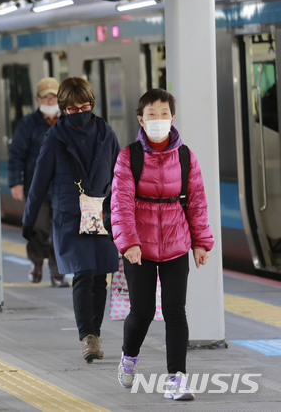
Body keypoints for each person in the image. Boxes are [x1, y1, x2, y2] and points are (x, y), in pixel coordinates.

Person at [111, 89, 213, 401]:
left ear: (172, 117)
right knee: (141, 312)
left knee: (175, 310)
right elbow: (121, 202)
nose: (159, 119)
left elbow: (196, 202)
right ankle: (129, 358)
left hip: (176, 243)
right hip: (138, 246)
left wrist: (201, 242)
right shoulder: (129, 156)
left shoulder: (185, 156)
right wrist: (128, 242)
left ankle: (177, 378)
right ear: (141, 120)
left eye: (164, 113)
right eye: (152, 114)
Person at [22, 77, 120, 363]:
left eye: (86, 106)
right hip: (70, 216)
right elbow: (39, 182)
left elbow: (121, 176)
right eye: (73, 108)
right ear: (64, 108)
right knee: (82, 273)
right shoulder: (54, 138)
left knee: (100, 274)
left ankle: (95, 333)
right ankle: (87, 337)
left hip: (102, 213)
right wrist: (28, 222)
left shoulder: (106, 132)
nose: (80, 112)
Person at [8, 77, 68, 287]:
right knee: (38, 227)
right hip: (38, 188)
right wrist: (15, 183)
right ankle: (36, 261)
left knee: (60, 231)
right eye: (46, 97)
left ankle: (57, 273)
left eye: (54, 97)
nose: (51, 101)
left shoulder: (69, 121)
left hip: (64, 188)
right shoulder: (28, 124)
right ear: (37, 98)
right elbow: (16, 155)